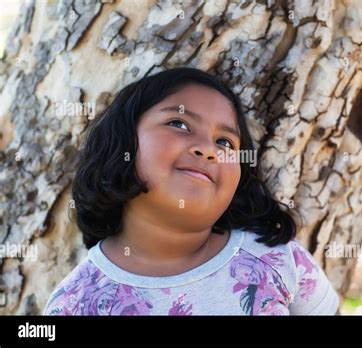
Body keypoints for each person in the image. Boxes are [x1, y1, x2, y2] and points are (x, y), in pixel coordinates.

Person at [43, 67, 340, 315]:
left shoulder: (274, 257)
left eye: (225, 142)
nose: (209, 149)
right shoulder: (76, 302)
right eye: (179, 123)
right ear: (121, 145)